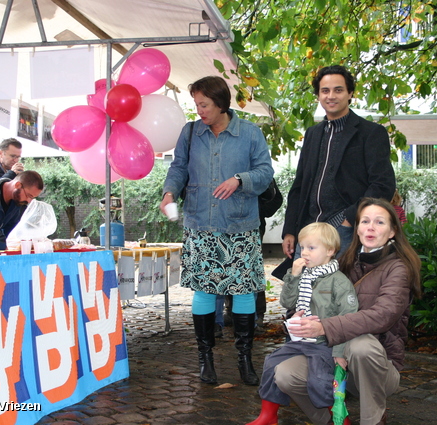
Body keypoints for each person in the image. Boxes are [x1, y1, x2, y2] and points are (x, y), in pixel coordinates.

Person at [160, 76, 274, 386]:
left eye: (204, 104)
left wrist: (240, 179)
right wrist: (170, 191)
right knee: (203, 290)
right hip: (201, 224)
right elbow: (178, 167)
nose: (199, 111)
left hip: (240, 226)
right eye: (196, 104)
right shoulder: (190, 132)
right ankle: (205, 359)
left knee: (244, 291)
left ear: (221, 103)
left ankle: (244, 360)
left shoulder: (250, 133)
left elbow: (265, 173)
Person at [269, 198, 422, 425]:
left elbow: (383, 315)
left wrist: (324, 327)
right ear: (357, 228)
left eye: (379, 222)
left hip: (378, 367)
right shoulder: (342, 263)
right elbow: (309, 301)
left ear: (392, 232)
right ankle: (331, 420)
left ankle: (374, 420)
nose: (370, 227)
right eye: (365, 221)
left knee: (361, 345)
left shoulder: (398, 268)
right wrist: (299, 318)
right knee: (284, 374)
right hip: (333, 358)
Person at [246, 222, 358, 425]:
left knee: (320, 379)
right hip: (300, 341)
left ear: (330, 251)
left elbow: (348, 319)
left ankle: (341, 418)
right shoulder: (304, 276)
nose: (304, 252)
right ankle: (268, 415)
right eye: (303, 247)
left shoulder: (339, 281)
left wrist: (340, 352)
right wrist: (293, 277)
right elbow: (287, 302)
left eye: (311, 248)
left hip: (325, 343)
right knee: (271, 362)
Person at [282, 65, 396, 262]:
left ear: (350, 93)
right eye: (325, 91)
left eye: (338, 90)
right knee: (304, 290)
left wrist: (349, 220)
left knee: (338, 290)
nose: (331, 96)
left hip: (343, 230)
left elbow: (382, 184)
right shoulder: (312, 134)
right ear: (318, 95)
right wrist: (290, 230)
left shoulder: (370, 133)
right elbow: (299, 185)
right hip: (309, 230)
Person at [221, 178, 284, 335]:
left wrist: (258, 210)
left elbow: (276, 198)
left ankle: (257, 314)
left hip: (253, 226)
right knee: (228, 267)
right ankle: (230, 309)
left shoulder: (257, 168)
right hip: (225, 224)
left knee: (251, 269)